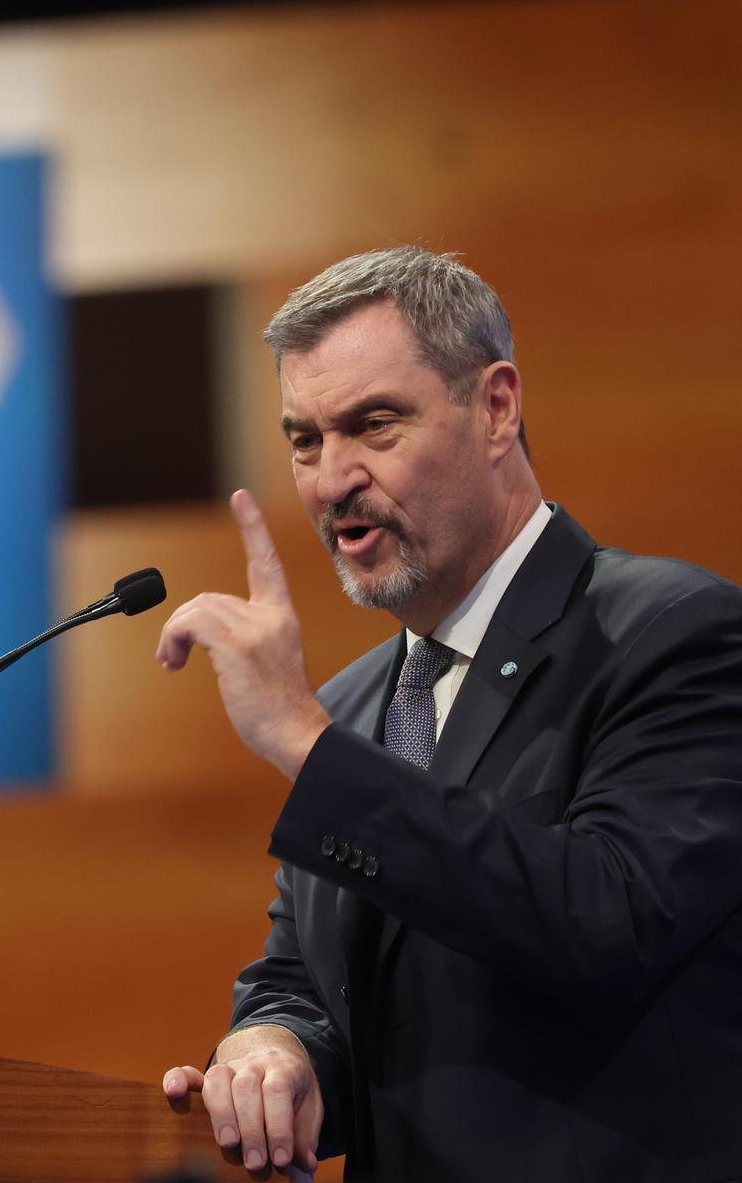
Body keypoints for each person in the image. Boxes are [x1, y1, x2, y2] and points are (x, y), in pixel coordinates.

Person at [156, 246, 742, 1183]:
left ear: (496, 408)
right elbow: (316, 977)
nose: (330, 479)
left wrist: (305, 746)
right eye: (304, 440)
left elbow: (605, 925)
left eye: (372, 425)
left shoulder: (677, 634)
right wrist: (277, 1048)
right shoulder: (351, 707)